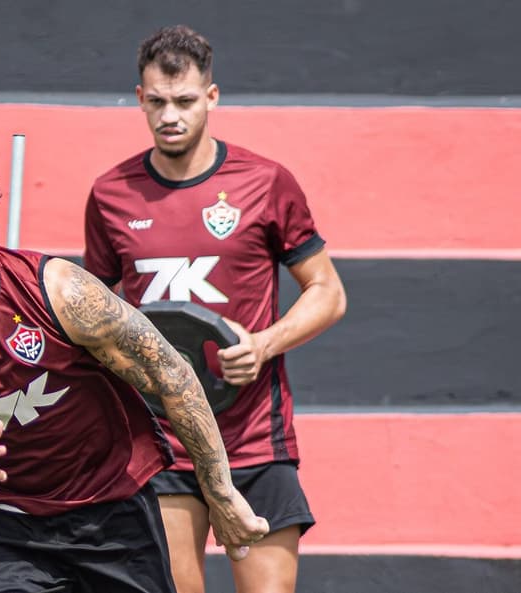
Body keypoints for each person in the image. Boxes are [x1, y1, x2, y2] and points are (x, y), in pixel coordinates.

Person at [0, 152, 269, 593]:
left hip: (112, 510)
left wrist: (221, 492)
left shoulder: (59, 291)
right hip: (5, 527)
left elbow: (173, 375)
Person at [82, 25, 348, 593]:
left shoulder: (265, 182)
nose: (169, 116)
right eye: (156, 102)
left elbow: (328, 291)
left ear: (212, 97)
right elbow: (92, 316)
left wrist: (264, 344)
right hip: (161, 442)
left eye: (183, 101)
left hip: (253, 437)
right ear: (139, 99)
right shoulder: (111, 194)